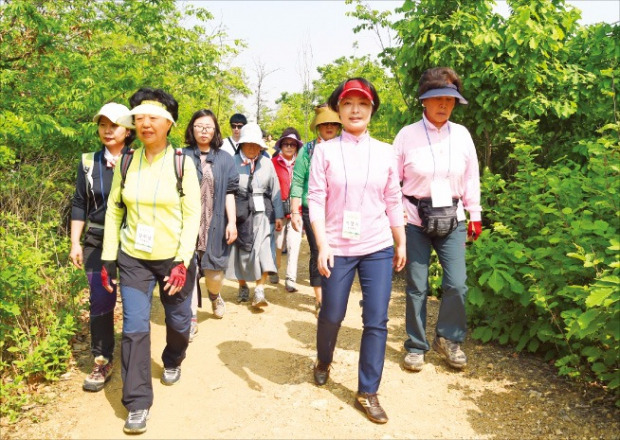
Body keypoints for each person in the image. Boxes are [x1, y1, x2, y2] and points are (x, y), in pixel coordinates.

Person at [101, 88, 201, 434]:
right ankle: (138, 402)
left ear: (169, 124)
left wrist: (182, 260)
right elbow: (115, 209)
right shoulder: (127, 161)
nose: (145, 124)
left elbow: (193, 216)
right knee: (134, 327)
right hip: (133, 259)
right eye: (139, 117)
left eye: (153, 118)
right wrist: (108, 258)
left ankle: (173, 358)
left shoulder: (182, 164)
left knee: (178, 321)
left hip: (173, 259)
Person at [308, 78, 406, 424]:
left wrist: (400, 239)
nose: (354, 110)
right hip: (337, 246)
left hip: (377, 245)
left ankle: (367, 391)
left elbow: (393, 198)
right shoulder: (325, 150)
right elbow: (316, 198)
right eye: (348, 103)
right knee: (332, 314)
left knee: (376, 319)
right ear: (339, 109)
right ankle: (323, 358)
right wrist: (322, 244)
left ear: (371, 110)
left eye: (362, 104)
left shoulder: (385, 151)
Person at [394, 67, 481, 373]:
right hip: (416, 217)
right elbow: (393, 179)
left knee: (457, 284)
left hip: (453, 217)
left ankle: (449, 338)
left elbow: (472, 177)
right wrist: (397, 210)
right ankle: (416, 345)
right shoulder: (407, 135)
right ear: (424, 101)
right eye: (437, 99)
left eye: (449, 99)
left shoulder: (462, 135)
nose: (443, 104)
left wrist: (475, 214)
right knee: (417, 285)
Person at [70, 102, 134, 392]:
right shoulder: (88, 162)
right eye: (102, 125)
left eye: (114, 125)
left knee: (134, 301)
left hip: (132, 241)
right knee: (100, 299)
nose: (107, 130)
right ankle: (102, 358)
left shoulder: (139, 159)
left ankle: (135, 356)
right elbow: (79, 203)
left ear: (128, 129)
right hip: (96, 240)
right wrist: (75, 242)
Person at [182, 109, 239, 340]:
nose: (204, 131)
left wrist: (232, 222)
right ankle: (191, 318)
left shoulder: (225, 159)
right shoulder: (182, 155)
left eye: (208, 127)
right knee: (188, 271)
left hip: (215, 222)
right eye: (199, 126)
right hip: (187, 225)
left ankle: (215, 296)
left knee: (214, 274)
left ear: (215, 130)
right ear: (191, 129)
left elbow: (230, 192)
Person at [226, 123, 284, 308]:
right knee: (240, 252)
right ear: (241, 145)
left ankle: (260, 290)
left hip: (262, 213)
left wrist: (279, 215)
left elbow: (275, 189)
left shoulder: (267, 163)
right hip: (239, 211)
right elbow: (225, 192)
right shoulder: (231, 163)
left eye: (255, 144)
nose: (252, 148)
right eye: (248, 143)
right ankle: (243, 286)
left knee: (264, 248)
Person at [291, 104, 341, 315]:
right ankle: (320, 298)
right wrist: (294, 211)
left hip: (338, 209)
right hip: (312, 208)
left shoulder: (345, 147)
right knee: (317, 250)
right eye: (324, 123)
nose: (329, 127)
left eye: (333, 123)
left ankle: (335, 293)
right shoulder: (308, 150)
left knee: (339, 251)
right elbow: (297, 180)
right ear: (318, 126)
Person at [271, 127, 303, 292]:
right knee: (277, 243)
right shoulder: (273, 163)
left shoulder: (302, 162)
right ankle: (274, 270)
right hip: (278, 209)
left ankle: (290, 279)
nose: (289, 147)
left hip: (296, 210)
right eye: (286, 144)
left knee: (294, 244)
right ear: (281, 146)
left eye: (292, 144)